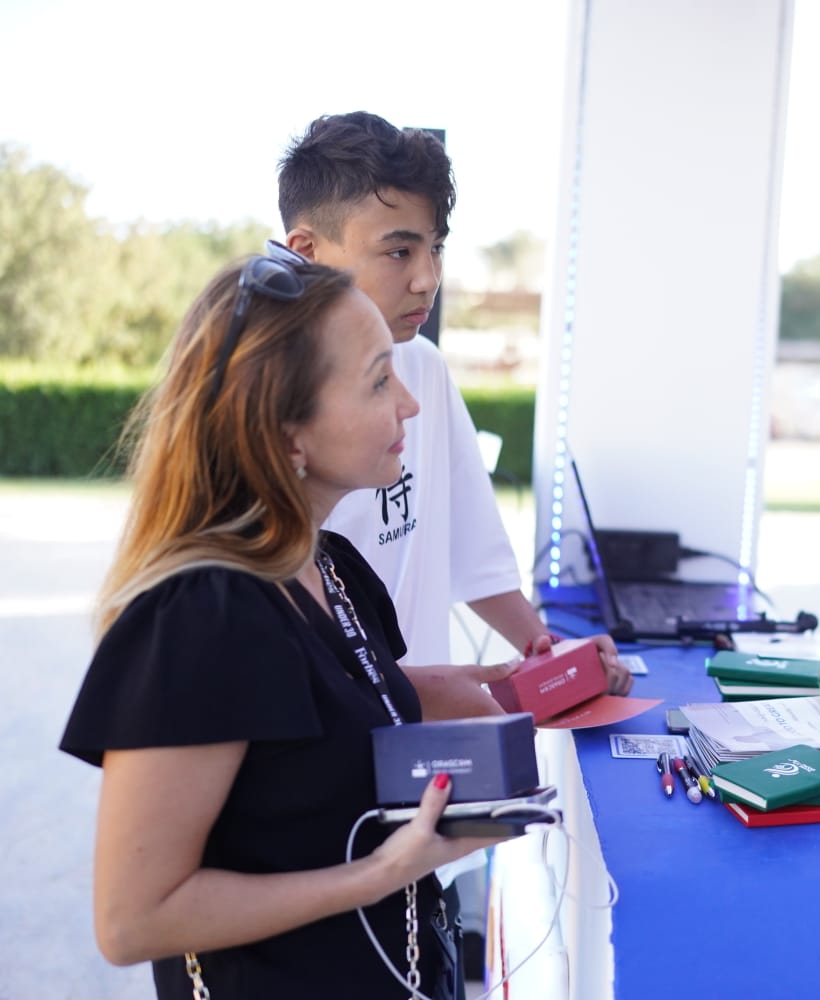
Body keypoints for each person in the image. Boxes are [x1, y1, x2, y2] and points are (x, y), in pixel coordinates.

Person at [60, 255, 510, 997]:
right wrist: (377, 875)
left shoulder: (328, 565)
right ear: (287, 433)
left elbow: (305, 714)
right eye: (378, 382)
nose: (409, 404)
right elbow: (132, 919)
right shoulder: (199, 616)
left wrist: (433, 689)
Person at [276, 111, 632, 704]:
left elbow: (473, 550)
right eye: (399, 251)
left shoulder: (424, 365)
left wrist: (552, 659)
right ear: (307, 251)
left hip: (420, 727)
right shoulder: (264, 390)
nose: (427, 279)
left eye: (436, 249)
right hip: (341, 727)